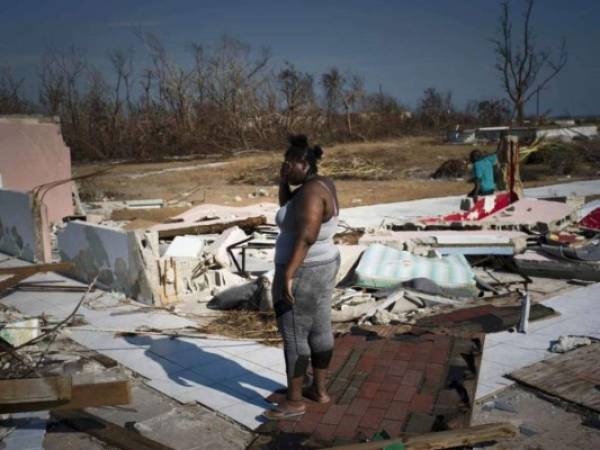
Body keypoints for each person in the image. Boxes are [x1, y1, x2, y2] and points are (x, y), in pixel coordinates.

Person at [264, 135, 340, 420]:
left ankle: (294, 402)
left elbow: (306, 236)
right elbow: (288, 209)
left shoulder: (309, 194)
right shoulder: (318, 185)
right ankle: (319, 391)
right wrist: (283, 180)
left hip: (305, 270)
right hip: (323, 265)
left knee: (294, 334)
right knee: (320, 327)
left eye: (289, 162)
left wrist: (288, 275)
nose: (285, 165)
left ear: (304, 163)